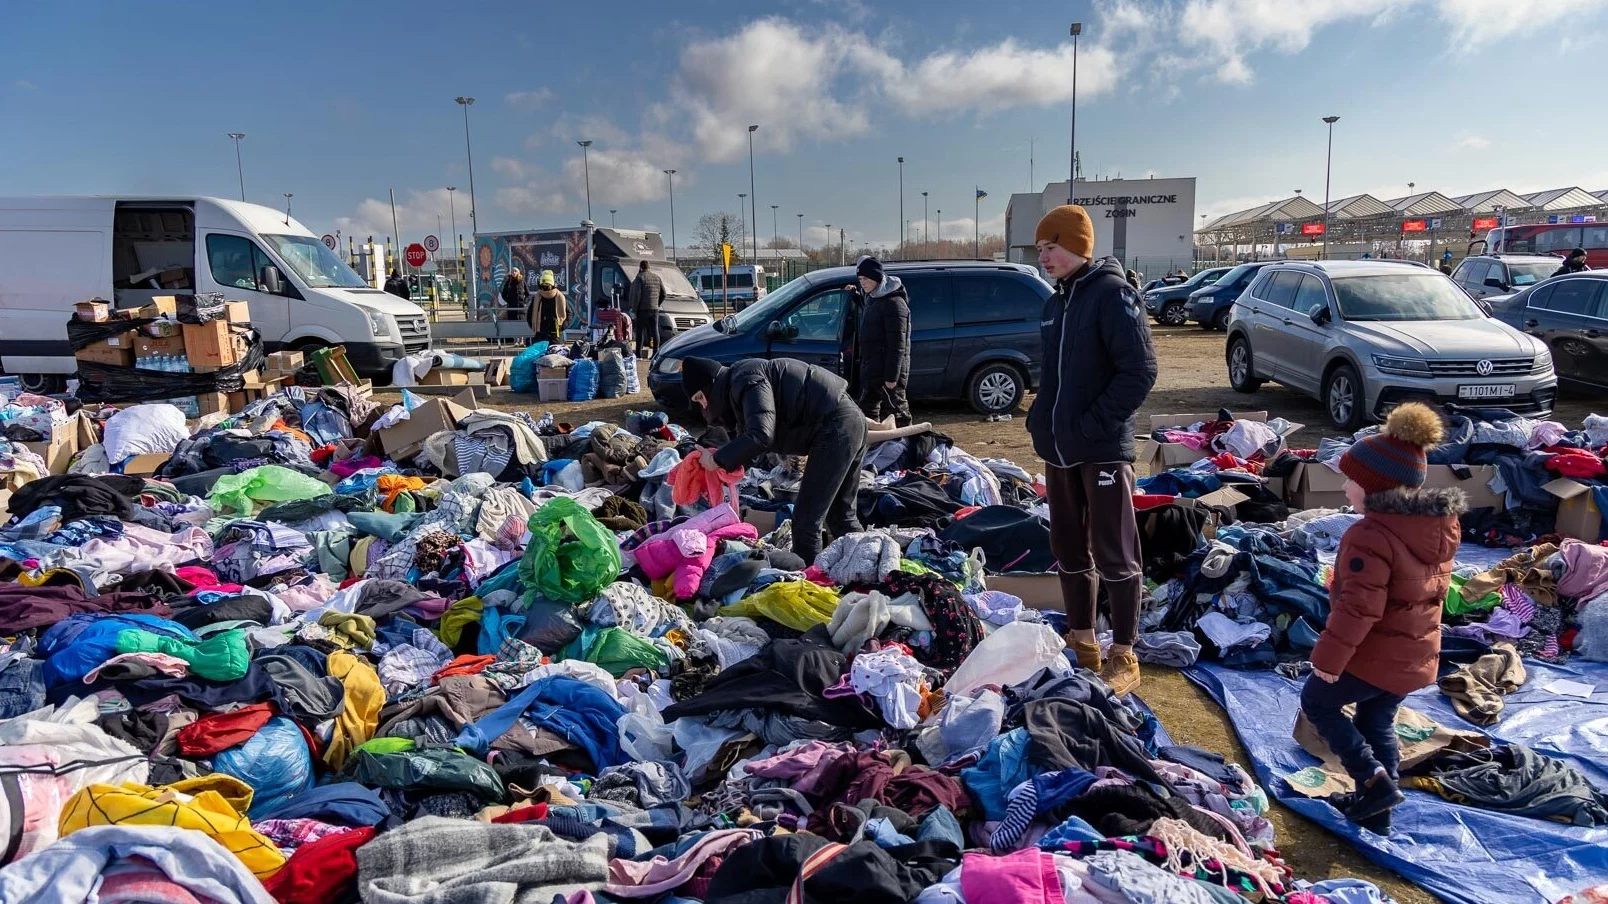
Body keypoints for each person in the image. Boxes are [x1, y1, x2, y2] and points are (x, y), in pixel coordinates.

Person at [1301, 402, 1464, 835]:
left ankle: (1372, 783)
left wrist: (1328, 659)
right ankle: (1380, 810)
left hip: (1376, 652)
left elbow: (1360, 608)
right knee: (1375, 720)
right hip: (1414, 654)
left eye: (1350, 481)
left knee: (1317, 700)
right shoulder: (1438, 524)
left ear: (1374, 488)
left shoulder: (1370, 535)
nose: (1344, 489)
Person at [1028, 204, 1157, 696]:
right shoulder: (1055, 303)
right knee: (1066, 547)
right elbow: (1053, 378)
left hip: (1102, 449)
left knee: (1113, 550)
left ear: (1079, 245)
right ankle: (1083, 641)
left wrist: (1091, 424)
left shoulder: (1112, 295)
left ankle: (1125, 651)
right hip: (1060, 450)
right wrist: (1041, 421)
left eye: (1052, 246)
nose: (1045, 256)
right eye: (1039, 248)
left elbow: (1139, 372)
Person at [680, 356, 865, 563]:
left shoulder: (746, 378)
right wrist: (725, 466)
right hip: (847, 422)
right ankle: (866, 570)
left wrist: (717, 460)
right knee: (842, 516)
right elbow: (753, 443)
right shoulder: (740, 382)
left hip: (836, 427)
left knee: (806, 521)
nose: (703, 406)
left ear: (710, 385)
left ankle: (809, 584)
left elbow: (760, 435)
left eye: (699, 398)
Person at [848, 257, 912, 427]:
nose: (863, 283)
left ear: (877, 278)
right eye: (860, 279)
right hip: (873, 369)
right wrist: (855, 295)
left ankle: (907, 448)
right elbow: (872, 315)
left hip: (888, 373)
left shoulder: (894, 304)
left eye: (866, 279)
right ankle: (874, 448)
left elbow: (898, 345)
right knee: (866, 414)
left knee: (897, 414)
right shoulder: (873, 297)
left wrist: (892, 377)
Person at [629, 260, 666, 359]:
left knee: (640, 332)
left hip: (642, 310)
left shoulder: (640, 278)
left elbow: (637, 295)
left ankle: (638, 354)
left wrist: (634, 309)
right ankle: (655, 353)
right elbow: (664, 294)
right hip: (654, 309)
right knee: (655, 331)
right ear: (649, 267)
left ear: (640, 267)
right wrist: (657, 304)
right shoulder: (657, 278)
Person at [527, 270, 567, 343]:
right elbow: (530, 313)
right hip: (540, 333)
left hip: (555, 334)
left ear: (552, 285)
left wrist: (562, 326)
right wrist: (533, 326)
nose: (545, 288)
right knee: (540, 354)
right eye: (543, 285)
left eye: (547, 285)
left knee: (554, 353)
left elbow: (568, 313)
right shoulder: (537, 297)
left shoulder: (560, 297)